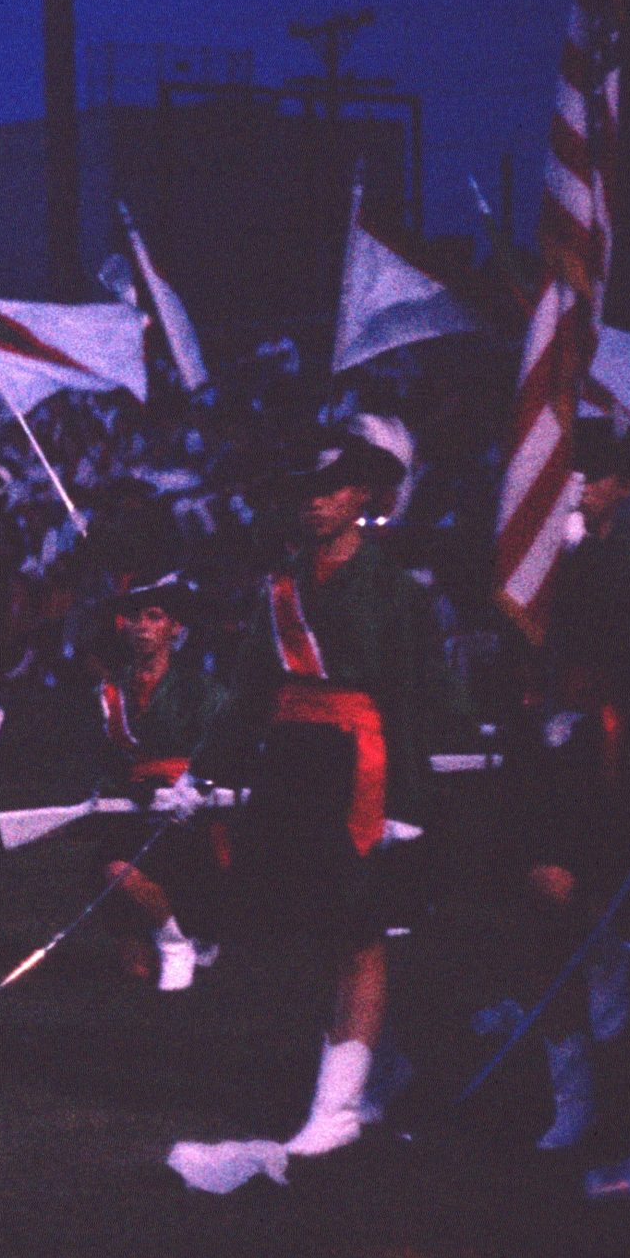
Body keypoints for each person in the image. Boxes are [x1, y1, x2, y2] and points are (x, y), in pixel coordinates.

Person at [221, 437, 469, 1157]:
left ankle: (337, 1110)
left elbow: (418, 699)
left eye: (333, 486)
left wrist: (410, 800)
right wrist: (206, 770)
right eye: (308, 485)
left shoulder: (396, 588)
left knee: (359, 930)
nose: (316, 498)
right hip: (294, 764)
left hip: (365, 766)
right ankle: (378, 1069)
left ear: (365, 495)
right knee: (313, 926)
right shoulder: (282, 583)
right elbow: (250, 688)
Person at [507, 420, 630, 1156]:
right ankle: (571, 1094)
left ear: (621, 485)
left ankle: (622, 1093)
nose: (577, 482)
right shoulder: (527, 556)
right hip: (541, 748)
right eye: (568, 468)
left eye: (593, 472)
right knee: (544, 901)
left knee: (602, 912)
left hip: (611, 754)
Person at [76, 574, 231, 992]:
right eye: (134, 618)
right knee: (135, 970)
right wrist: (119, 790)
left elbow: (222, 751)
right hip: (134, 809)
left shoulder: (202, 689)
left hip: (187, 812)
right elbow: (102, 760)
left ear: (175, 628)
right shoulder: (110, 692)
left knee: (128, 872)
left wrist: (192, 788)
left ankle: (188, 936)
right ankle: (172, 940)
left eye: (155, 617)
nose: (143, 627)